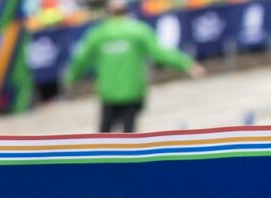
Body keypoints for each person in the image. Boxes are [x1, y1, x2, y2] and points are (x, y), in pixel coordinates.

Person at [65, 0, 205, 133]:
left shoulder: (98, 34)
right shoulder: (138, 31)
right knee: (129, 135)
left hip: (109, 92)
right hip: (132, 90)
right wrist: (187, 64)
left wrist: (71, 79)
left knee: (104, 136)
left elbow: (80, 60)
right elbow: (161, 53)